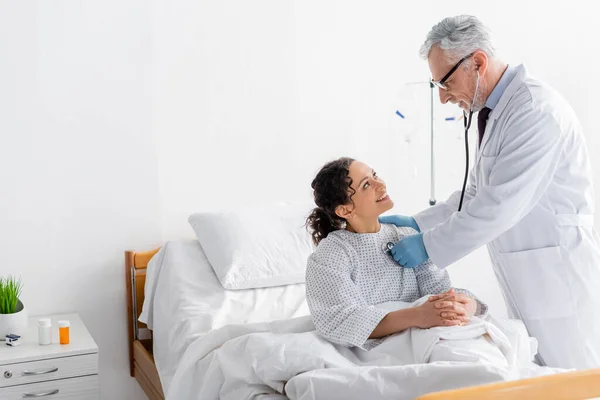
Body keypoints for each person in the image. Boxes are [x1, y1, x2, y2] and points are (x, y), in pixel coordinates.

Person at [381, 15, 600, 369]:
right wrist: (417, 225)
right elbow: (476, 195)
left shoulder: (535, 110)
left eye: (446, 82)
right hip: (532, 274)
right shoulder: (497, 112)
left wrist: (427, 246)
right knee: (545, 376)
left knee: (579, 377)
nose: (443, 98)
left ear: (478, 63)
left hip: (559, 275)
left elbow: (496, 208)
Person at [305, 157, 487, 350]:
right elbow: (340, 320)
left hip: (427, 337)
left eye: (374, 175)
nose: (381, 184)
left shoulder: (406, 237)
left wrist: (465, 306)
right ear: (345, 210)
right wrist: (417, 316)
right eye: (366, 185)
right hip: (372, 351)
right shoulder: (330, 255)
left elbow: (441, 295)